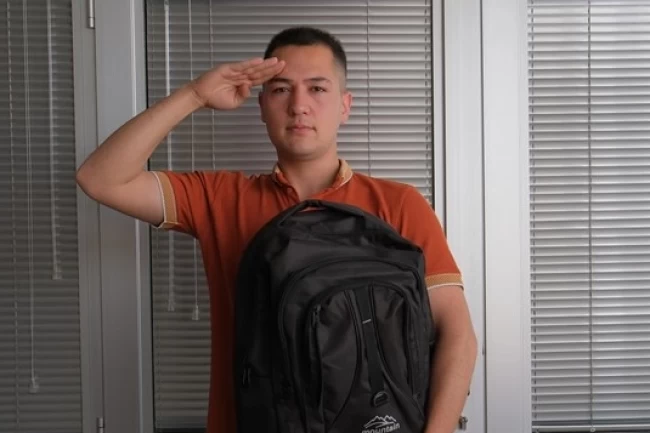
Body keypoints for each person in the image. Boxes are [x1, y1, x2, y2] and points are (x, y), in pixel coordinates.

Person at [76, 26, 478, 433]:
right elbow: (100, 179)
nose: (299, 105)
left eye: (317, 88)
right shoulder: (221, 199)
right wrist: (194, 94)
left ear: (345, 105)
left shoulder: (399, 204)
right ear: (262, 106)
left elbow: (456, 333)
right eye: (282, 90)